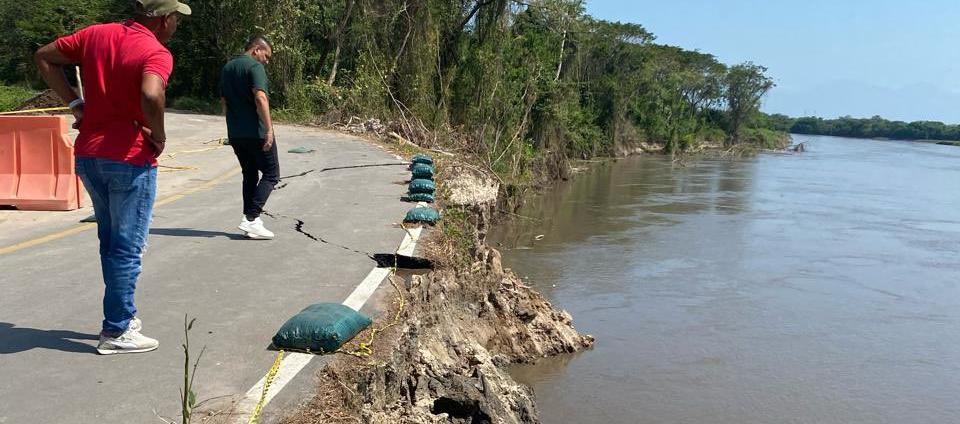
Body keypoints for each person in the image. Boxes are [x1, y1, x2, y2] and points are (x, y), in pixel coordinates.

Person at [34, 0, 191, 355]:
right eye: (176, 19)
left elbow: (43, 56)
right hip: (130, 158)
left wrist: (75, 103)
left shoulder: (96, 35)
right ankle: (117, 329)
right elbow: (152, 93)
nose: (176, 26)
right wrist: (159, 134)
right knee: (128, 246)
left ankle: (123, 315)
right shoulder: (156, 52)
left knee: (110, 241)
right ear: (164, 19)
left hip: (90, 155)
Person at [220, 36, 279, 239]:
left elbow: (224, 100)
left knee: (250, 174)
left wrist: (233, 124)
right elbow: (260, 97)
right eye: (266, 56)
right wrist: (269, 129)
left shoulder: (228, 67)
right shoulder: (254, 68)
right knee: (271, 174)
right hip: (257, 133)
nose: (267, 61)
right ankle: (252, 218)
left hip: (236, 133)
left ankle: (250, 220)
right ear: (256, 50)